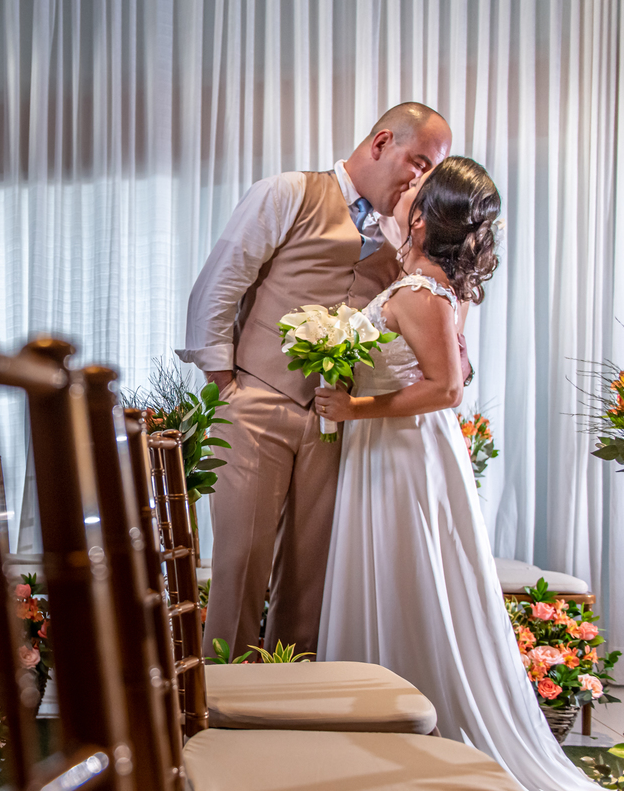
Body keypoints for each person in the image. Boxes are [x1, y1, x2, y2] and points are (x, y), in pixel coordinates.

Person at [315, 157, 597, 790]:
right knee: (405, 575)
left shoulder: (421, 293)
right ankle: (383, 715)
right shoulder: (431, 281)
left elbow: (446, 390)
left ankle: (405, 721)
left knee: (406, 574)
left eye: (416, 188)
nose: (406, 188)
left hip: (402, 452)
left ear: (423, 217)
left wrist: (354, 405)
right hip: (400, 449)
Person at [177, 103, 452, 657]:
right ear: (381, 144)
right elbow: (220, 284)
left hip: (337, 421)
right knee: (240, 566)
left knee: (313, 578)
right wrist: (226, 382)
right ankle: (221, 711)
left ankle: (289, 710)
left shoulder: (400, 232)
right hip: (255, 402)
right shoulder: (289, 192)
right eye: (418, 162)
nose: (420, 181)